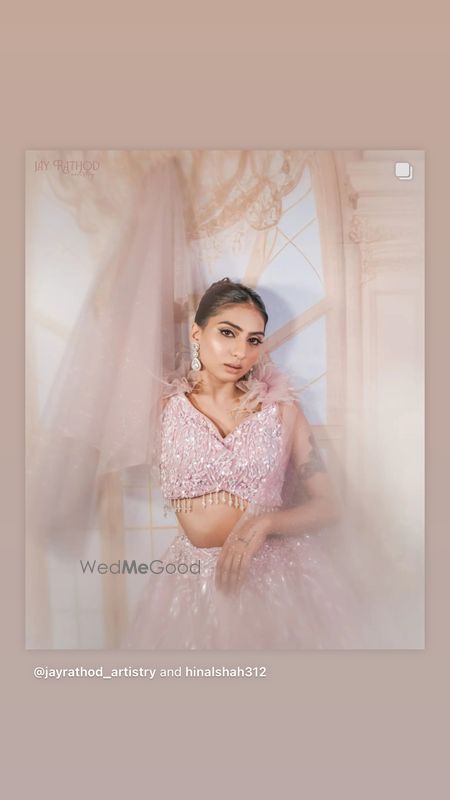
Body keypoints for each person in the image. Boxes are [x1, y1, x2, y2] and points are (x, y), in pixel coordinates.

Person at [121, 278, 369, 650]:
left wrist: (266, 522)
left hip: (275, 578)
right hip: (192, 581)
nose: (240, 351)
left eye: (253, 340)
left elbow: (330, 504)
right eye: (228, 333)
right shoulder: (162, 408)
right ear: (196, 333)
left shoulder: (281, 411)